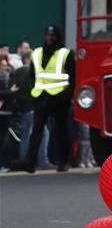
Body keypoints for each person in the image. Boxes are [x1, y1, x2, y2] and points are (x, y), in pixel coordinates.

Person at [18, 24, 75, 174]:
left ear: (58, 36)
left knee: (62, 131)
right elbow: (32, 75)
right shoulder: (36, 53)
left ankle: (63, 162)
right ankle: (30, 162)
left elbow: (73, 77)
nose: (50, 38)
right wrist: (33, 92)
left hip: (59, 98)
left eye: (53, 35)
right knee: (36, 131)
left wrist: (67, 96)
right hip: (41, 97)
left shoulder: (66, 54)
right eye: (48, 35)